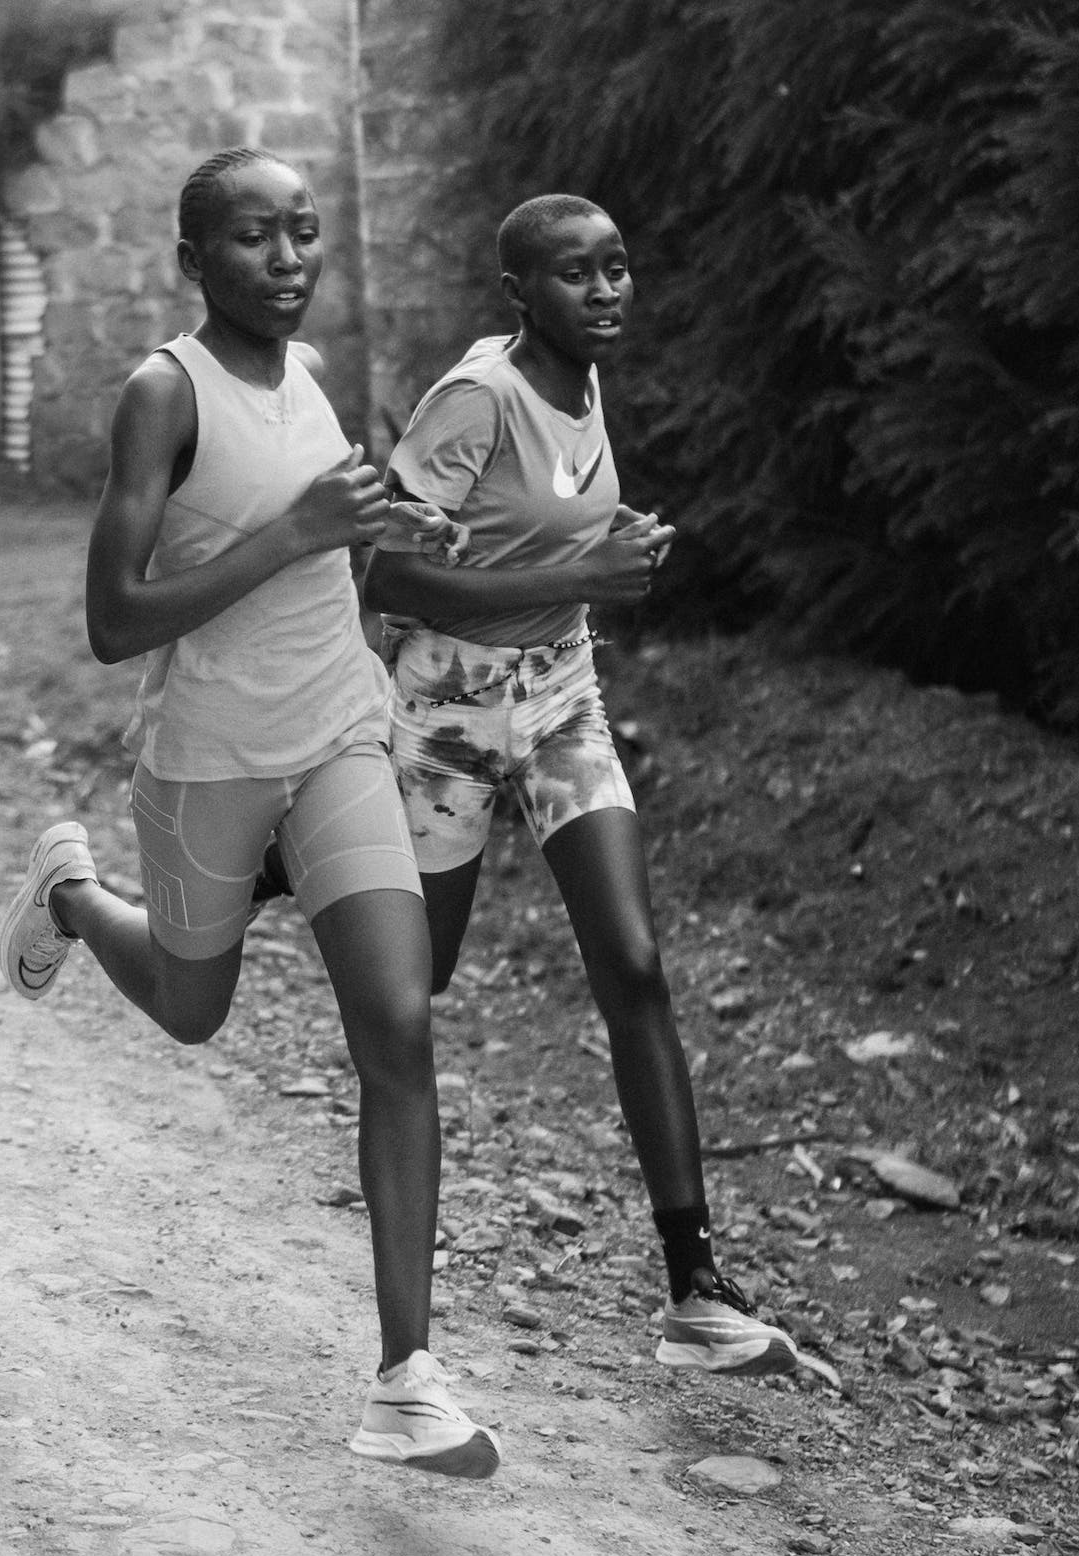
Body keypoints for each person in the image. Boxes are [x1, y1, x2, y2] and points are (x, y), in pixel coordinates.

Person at [0, 146, 501, 1478]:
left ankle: (407, 1374)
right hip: (208, 753)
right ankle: (69, 891)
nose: (288, 261)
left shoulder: (311, 382)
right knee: (189, 1004)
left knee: (397, 1022)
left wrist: (390, 536)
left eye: (303, 234)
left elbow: (328, 544)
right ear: (191, 260)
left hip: (339, 734)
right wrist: (293, 531)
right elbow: (113, 622)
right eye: (254, 239)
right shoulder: (165, 393)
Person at [368, 194, 821, 1381]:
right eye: (576, 276)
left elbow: (542, 544)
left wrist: (596, 563)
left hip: (563, 695)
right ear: (520, 292)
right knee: (420, 977)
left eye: (618, 268)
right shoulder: (479, 397)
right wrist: (586, 564)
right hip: (449, 714)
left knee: (632, 960)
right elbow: (388, 572)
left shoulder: (586, 375)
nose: (607, 291)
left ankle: (696, 1288)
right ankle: (265, 859)